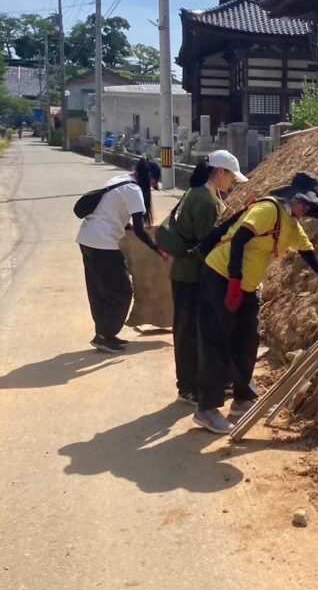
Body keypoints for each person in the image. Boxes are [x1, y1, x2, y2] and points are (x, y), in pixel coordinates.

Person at [194, 172, 318, 435]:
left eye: (310, 206)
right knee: (217, 342)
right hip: (220, 277)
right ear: (292, 197)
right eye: (304, 203)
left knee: (247, 340)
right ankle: (206, 410)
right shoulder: (267, 210)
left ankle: (242, 399)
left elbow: (313, 259)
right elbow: (239, 240)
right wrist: (235, 281)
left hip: (246, 287)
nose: (305, 209)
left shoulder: (291, 227)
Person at [170, 150, 247, 403]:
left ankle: (203, 382)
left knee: (195, 330)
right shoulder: (203, 201)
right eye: (231, 177)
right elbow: (208, 245)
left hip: (189, 272)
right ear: (220, 172)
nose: (233, 183)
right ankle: (188, 387)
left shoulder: (202, 194)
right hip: (190, 275)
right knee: (188, 332)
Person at [77, 158, 168, 353]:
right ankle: (104, 335)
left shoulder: (118, 180)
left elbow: (114, 214)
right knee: (123, 292)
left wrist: (125, 227)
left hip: (87, 238)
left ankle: (105, 334)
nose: (151, 188)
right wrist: (157, 249)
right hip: (103, 244)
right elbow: (140, 231)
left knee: (99, 290)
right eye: (153, 184)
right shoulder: (134, 190)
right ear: (150, 177)